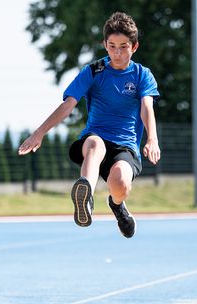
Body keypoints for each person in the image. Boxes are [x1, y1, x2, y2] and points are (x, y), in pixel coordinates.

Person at [18, 12, 161, 238]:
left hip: (125, 147)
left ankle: (117, 205)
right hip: (95, 139)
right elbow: (68, 105)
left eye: (123, 46)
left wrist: (151, 138)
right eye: (112, 46)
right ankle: (86, 198)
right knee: (95, 143)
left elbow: (147, 107)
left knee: (121, 183)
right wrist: (39, 132)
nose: (117, 52)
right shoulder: (94, 72)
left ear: (134, 47)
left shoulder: (143, 75)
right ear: (105, 45)